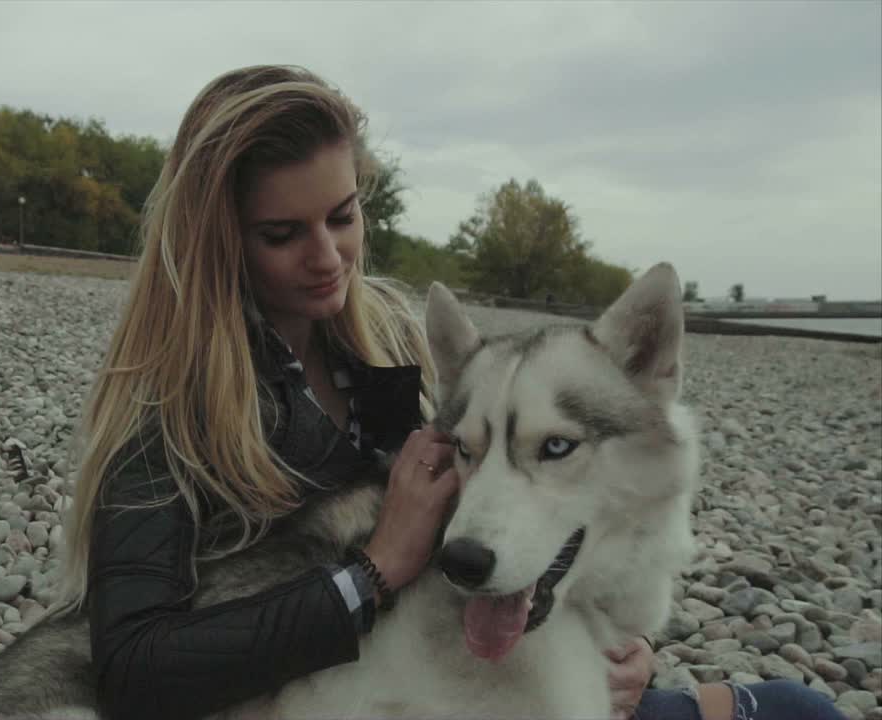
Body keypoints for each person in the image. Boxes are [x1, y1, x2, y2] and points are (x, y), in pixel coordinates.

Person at [49, 65, 846, 720]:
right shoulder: (166, 416)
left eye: (342, 215)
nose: (328, 257)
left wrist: (622, 648)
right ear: (221, 239)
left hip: (469, 669)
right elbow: (133, 671)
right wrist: (372, 573)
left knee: (794, 708)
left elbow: (525, 518)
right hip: (320, 693)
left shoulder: (390, 347)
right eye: (282, 233)